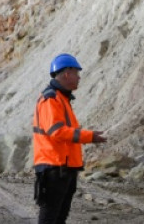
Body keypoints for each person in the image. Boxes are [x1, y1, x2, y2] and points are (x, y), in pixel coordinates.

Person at [32, 53, 107, 224]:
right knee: (50, 217)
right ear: (67, 73)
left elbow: (64, 131)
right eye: (77, 73)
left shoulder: (61, 99)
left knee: (59, 217)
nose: (79, 77)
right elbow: (56, 131)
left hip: (64, 167)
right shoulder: (51, 99)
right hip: (55, 168)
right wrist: (89, 136)